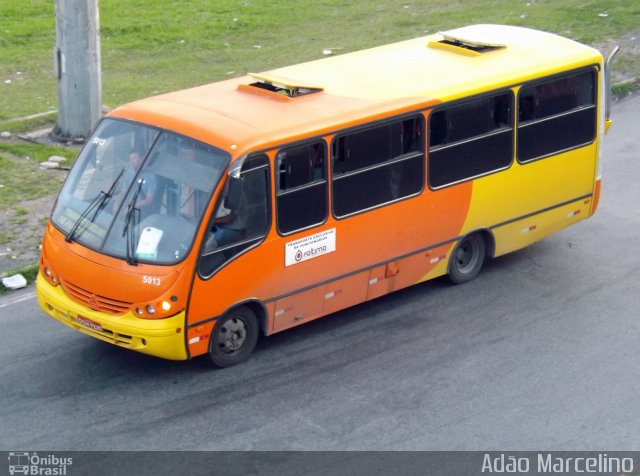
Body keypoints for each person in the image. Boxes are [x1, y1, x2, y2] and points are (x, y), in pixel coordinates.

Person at [112, 149, 157, 216]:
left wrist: (130, 207)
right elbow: (123, 192)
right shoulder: (129, 173)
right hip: (126, 206)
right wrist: (116, 204)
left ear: (142, 159)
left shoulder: (151, 177)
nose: (131, 162)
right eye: (130, 159)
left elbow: (148, 200)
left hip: (140, 210)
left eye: (134, 158)